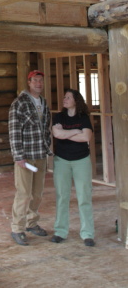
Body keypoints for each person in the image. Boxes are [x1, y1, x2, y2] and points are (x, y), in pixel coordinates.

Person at [8, 70, 53, 246]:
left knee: (37, 194)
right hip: (25, 157)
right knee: (24, 193)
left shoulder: (43, 102)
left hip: (40, 154)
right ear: (29, 82)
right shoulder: (19, 103)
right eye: (35, 80)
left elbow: (46, 128)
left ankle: (31, 223)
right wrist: (18, 156)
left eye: (41, 80)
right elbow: (13, 131)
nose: (38, 84)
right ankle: (17, 228)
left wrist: (47, 147)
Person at [50, 88, 95, 247]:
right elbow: (56, 134)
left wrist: (67, 132)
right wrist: (76, 131)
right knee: (62, 196)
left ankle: (87, 233)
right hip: (61, 160)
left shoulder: (83, 117)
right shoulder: (59, 116)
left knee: (84, 197)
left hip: (81, 160)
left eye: (68, 97)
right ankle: (60, 231)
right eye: (64, 96)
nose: (65, 99)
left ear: (76, 100)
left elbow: (86, 137)